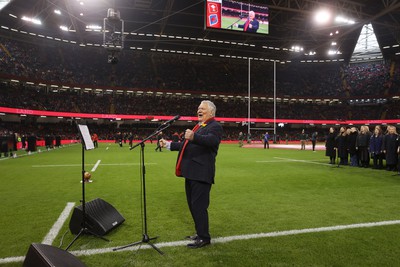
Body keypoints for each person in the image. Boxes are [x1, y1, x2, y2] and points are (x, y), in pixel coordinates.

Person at [160, 100, 223, 249]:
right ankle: (200, 232)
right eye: (198, 108)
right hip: (192, 173)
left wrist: (194, 136)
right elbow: (186, 145)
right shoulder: (200, 127)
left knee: (199, 207)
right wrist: (169, 144)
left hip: (201, 174)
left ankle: (204, 237)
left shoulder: (215, 126)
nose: (198, 110)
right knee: (193, 206)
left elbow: (212, 141)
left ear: (211, 112)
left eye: (202, 109)